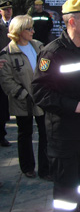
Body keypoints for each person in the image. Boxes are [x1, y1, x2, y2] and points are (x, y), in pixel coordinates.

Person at [32, 0, 80, 212]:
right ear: (72, 22)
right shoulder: (52, 53)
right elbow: (40, 93)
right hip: (64, 135)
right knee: (66, 194)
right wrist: (73, 105)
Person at [0, 15, 50, 180]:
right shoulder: (7, 54)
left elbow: (47, 67)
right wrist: (23, 94)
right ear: (19, 31)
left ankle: (45, 168)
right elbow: (6, 81)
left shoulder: (38, 46)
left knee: (45, 133)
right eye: (29, 29)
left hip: (41, 99)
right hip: (23, 102)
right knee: (25, 133)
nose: (33, 31)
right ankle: (27, 167)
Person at [0, 0, 13, 147]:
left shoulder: (15, 24)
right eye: (5, 9)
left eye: (10, 9)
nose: (8, 11)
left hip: (13, 64)